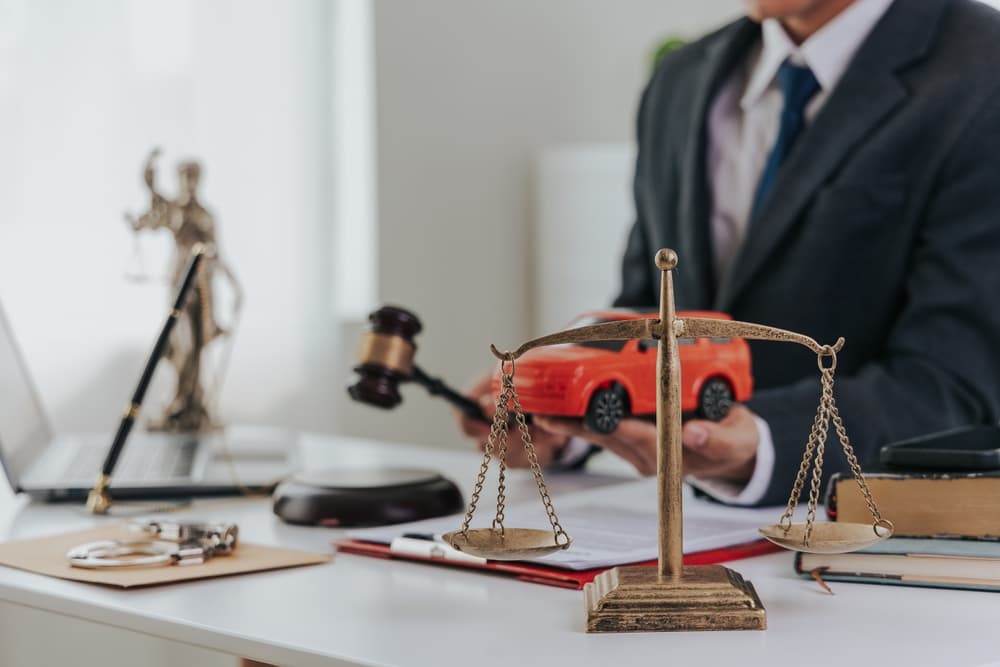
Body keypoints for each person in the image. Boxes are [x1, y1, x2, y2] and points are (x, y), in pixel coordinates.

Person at [460, 0, 1000, 506]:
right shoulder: (680, 82)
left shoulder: (983, 71)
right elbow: (646, 309)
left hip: (870, 547)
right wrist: (561, 424)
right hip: (683, 535)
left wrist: (761, 443)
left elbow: (956, 382)